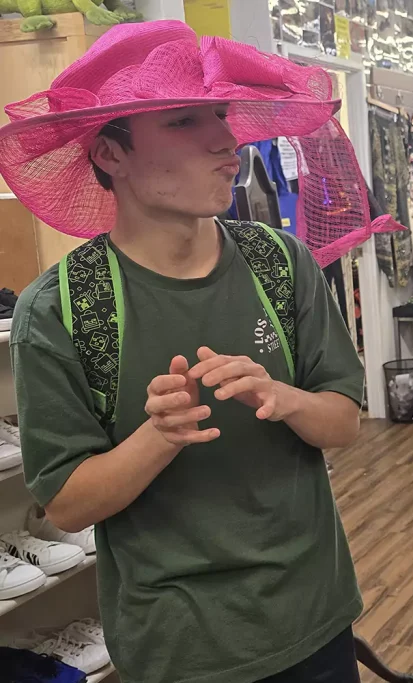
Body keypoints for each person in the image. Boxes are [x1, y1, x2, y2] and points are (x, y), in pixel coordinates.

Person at [2, 22, 368, 683]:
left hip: (314, 618)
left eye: (221, 114)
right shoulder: (61, 309)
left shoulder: (279, 264)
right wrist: (160, 435)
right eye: (183, 121)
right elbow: (66, 504)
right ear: (111, 153)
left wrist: (284, 398)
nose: (225, 140)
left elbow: (344, 421)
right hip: (178, 646)